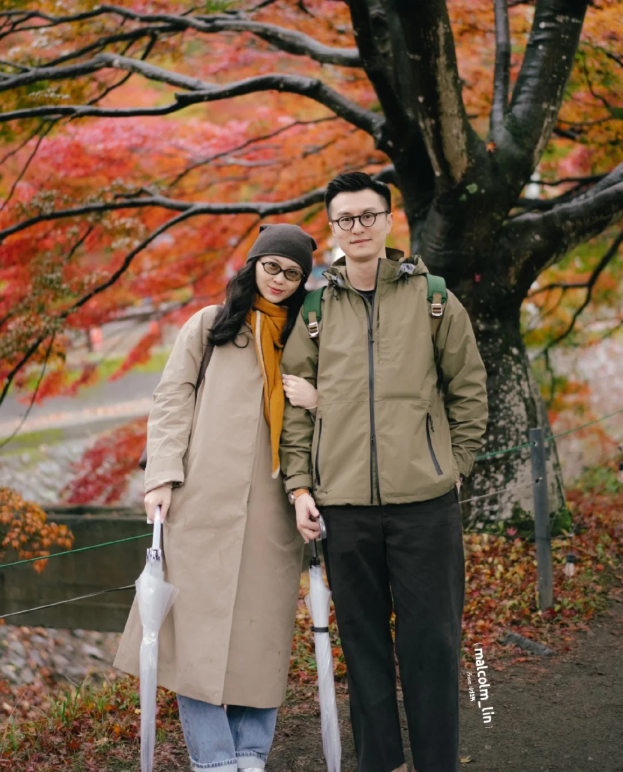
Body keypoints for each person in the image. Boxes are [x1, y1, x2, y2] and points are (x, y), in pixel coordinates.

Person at [279, 172, 489, 772]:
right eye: (345, 219)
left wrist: (456, 464)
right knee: (363, 645)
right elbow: (295, 410)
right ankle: (381, 763)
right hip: (344, 506)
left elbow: (469, 389)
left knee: (434, 643)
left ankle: (436, 762)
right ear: (333, 228)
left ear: (389, 220)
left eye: (368, 215)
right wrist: (299, 486)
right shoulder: (315, 310)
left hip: (425, 505)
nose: (358, 227)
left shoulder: (434, 299)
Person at [114, 223, 319, 772]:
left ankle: (250, 754)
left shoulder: (306, 337)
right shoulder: (210, 325)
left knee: (262, 637)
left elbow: (337, 406)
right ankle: (214, 760)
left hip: (275, 509)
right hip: (201, 502)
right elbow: (171, 399)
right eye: (271, 266)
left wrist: (319, 398)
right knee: (193, 639)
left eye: (292, 272)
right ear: (253, 265)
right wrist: (161, 476)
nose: (279, 279)